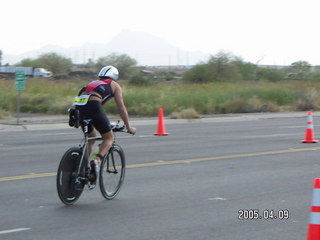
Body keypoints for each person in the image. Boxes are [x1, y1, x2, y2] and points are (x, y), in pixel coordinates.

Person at [74, 65, 136, 185]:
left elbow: (83, 101)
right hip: (94, 106)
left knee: (91, 138)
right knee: (109, 138)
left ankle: (81, 167)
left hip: (78, 108)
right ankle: (96, 161)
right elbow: (121, 108)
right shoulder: (114, 85)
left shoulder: (92, 83)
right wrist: (128, 127)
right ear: (114, 77)